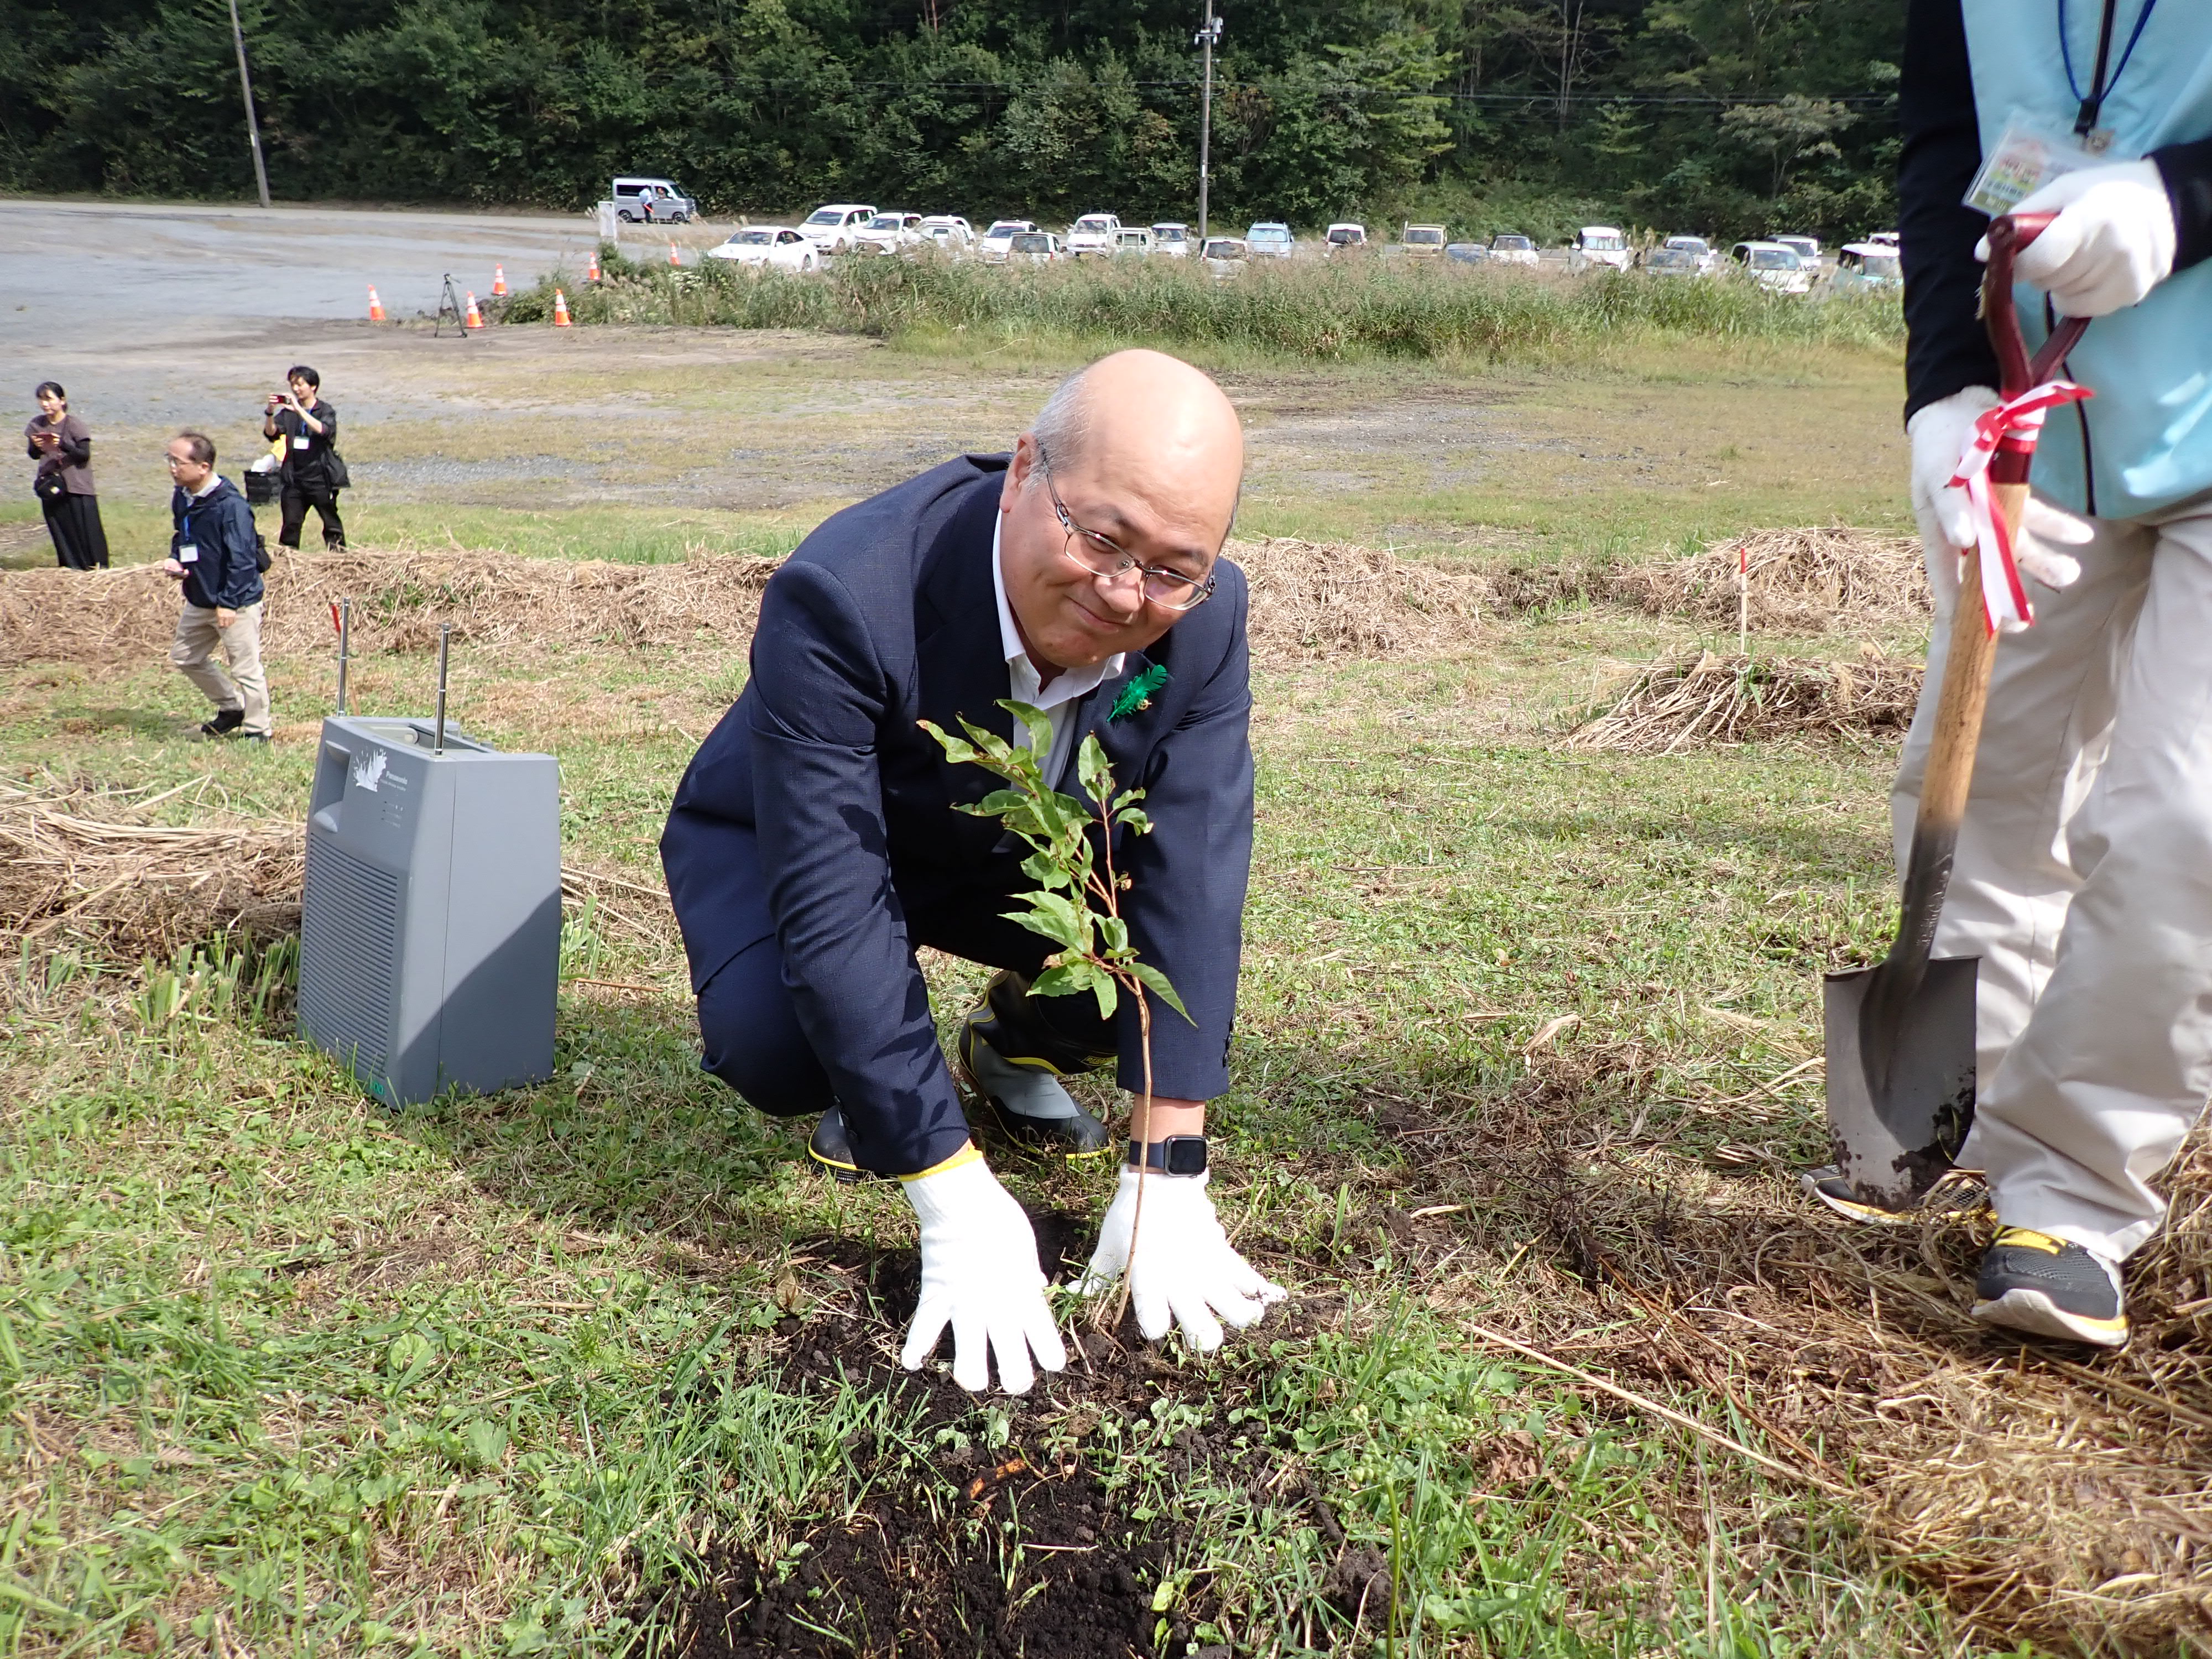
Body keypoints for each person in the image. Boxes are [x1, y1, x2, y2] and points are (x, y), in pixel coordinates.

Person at [661, 349, 1285, 1395]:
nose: (1125, 593)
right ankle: (873, 1086)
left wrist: (1167, 1162)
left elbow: (1195, 865)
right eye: (1102, 539)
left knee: (1119, 983)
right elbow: (835, 895)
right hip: (819, 840)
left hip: (1020, 856)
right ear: (1024, 472)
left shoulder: (1206, 620)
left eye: (1175, 567)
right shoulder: (846, 596)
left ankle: (1009, 1040)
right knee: (781, 1048)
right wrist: (950, 1191)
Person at [1807, 0, 2212, 1348]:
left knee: (2180, 818)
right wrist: (1943, 391)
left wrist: (2177, 199)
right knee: (1976, 774)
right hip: (2040, 418)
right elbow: (1942, 148)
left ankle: (2072, 1188)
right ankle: (1944, 1115)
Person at [163, 432, 270, 743]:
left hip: (235, 602)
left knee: (246, 669)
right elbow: (181, 535)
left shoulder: (231, 506)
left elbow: (242, 559)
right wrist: (177, 560)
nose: (172, 468)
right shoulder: (182, 495)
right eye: (169, 460)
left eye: (178, 462)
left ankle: (258, 730)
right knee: (186, 656)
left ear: (204, 467)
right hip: (200, 597)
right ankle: (231, 709)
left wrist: (229, 603)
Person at [24, 382, 109, 570]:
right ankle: (70, 569)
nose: (45, 404)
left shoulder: (74, 424)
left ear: (62, 401)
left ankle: (95, 569)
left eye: (49, 399)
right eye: (42, 400)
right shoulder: (36, 424)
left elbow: (83, 455)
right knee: (62, 531)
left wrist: (62, 444)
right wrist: (37, 445)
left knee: (87, 532)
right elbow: (33, 455)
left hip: (77, 485)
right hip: (52, 485)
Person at [262, 364, 346, 551]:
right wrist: (270, 412)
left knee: (331, 523)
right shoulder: (288, 413)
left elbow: (325, 431)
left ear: (313, 386)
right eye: (293, 385)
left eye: (300, 384)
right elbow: (272, 433)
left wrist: (299, 410)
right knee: (291, 524)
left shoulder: (325, 410)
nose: (296, 389)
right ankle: (288, 561)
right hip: (294, 479)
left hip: (320, 478)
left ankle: (340, 559)